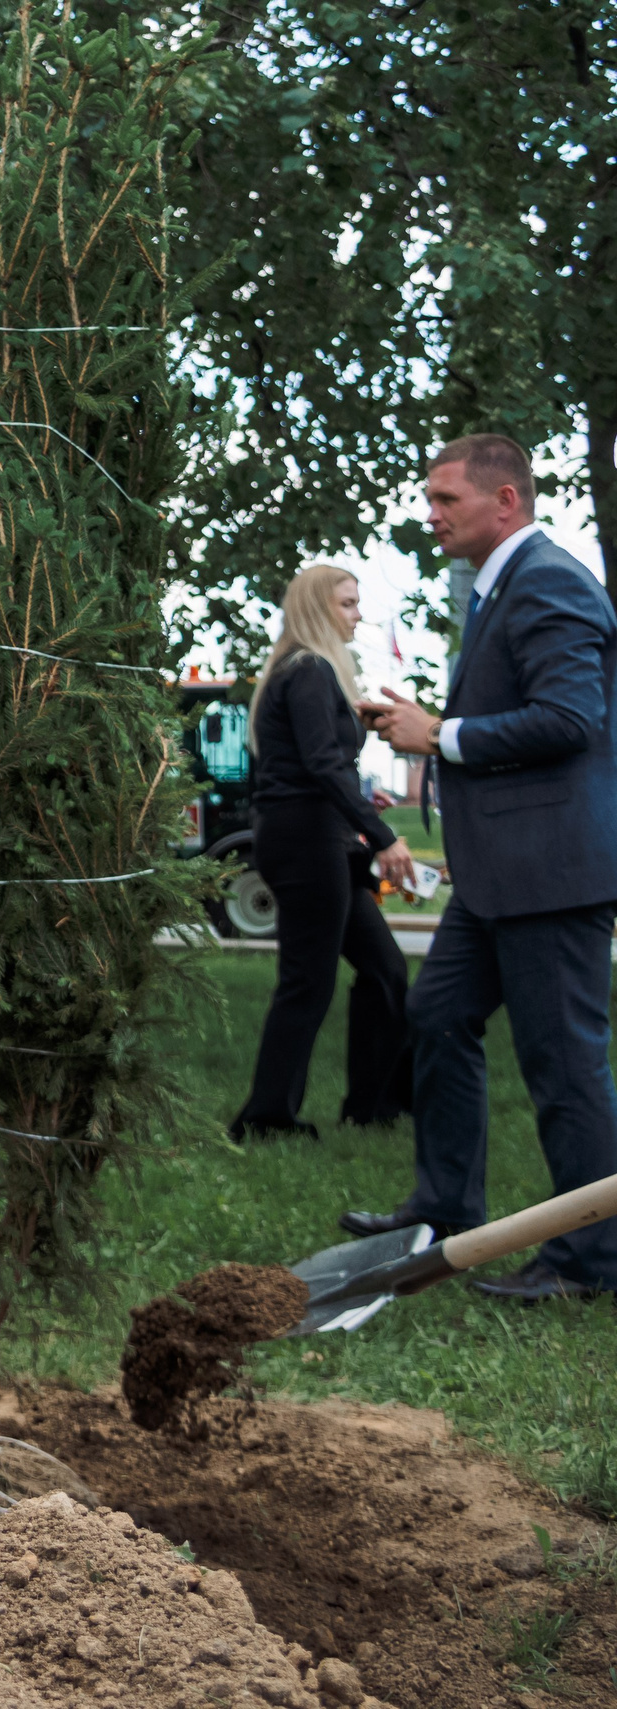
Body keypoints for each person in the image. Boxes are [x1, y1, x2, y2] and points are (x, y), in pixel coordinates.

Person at [351, 435, 617, 1301]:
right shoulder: (499, 585)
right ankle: (446, 1205)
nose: (430, 516)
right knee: (434, 1015)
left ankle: (590, 1262)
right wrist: (418, 723)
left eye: (445, 500)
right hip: (498, 873)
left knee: (564, 1068)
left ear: (505, 502)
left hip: (551, 873)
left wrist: (444, 736)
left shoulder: (550, 581)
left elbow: (571, 718)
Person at [227, 564, 415, 1139]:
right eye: (349, 603)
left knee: (385, 970)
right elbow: (319, 765)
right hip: (306, 843)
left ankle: (374, 1105)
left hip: (315, 837)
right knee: (308, 982)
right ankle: (266, 1118)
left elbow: (319, 767)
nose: (358, 614)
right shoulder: (308, 670)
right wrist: (385, 839)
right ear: (318, 608)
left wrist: (361, 800)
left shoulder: (308, 672)